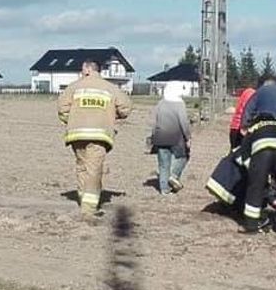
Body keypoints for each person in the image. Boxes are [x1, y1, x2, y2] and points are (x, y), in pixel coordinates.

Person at [57, 60, 132, 217]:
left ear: (89, 69)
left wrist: (73, 120)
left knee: (82, 167)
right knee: (94, 170)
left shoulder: (73, 87)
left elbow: (62, 109)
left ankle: (83, 198)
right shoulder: (110, 88)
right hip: (99, 135)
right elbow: (126, 108)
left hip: (76, 135)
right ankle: (89, 208)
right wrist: (110, 115)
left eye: (82, 69)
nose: (81, 72)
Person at [150, 83, 191, 195]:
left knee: (163, 164)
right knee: (183, 157)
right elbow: (184, 122)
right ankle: (174, 175)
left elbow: (154, 121)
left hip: (161, 136)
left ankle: (164, 190)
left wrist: (153, 135)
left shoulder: (160, 103)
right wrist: (188, 137)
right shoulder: (179, 104)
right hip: (176, 137)